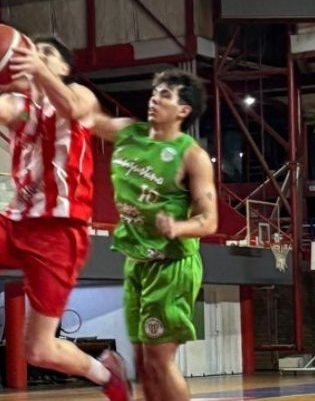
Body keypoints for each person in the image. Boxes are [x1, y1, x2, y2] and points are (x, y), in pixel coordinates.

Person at [0, 36, 131, 400]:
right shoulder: (23, 105)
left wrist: (38, 70)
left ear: (63, 67)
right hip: (16, 221)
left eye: (46, 53)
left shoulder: (80, 95)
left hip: (60, 232)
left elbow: (71, 108)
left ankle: (104, 371)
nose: (35, 56)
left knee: (39, 351)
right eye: (32, 51)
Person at [93, 68, 217, 401]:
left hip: (171, 265)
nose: (154, 99)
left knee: (160, 361)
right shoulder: (129, 132)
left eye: (165, 95)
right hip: (136, 261)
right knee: (142, 362)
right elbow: (88, 118)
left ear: (183, 110)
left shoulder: (192, 156)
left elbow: (209, 221)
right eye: (154, 93)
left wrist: (178, 227)